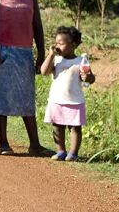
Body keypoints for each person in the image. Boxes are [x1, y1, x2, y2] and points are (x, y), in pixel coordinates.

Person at [0, 0, 51, 156]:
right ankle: (3, 143)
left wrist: (41, 54)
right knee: (1, 99)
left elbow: (37, 27)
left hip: (24, 54)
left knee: (27, 100)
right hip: (2, 53)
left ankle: (35, 144)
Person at [40, 25, 95, 161]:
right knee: (57, 127)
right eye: (56, 43)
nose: (57, 46)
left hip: (74, 101)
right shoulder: (56, 60)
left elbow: (91, 78)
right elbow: (44, 71)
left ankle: (73, 153)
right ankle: (61, 151)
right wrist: (50, 55)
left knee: (75, 128)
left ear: (73, 45)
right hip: (56, 100)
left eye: (61, 44)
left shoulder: (81, 61)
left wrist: (87, 77)